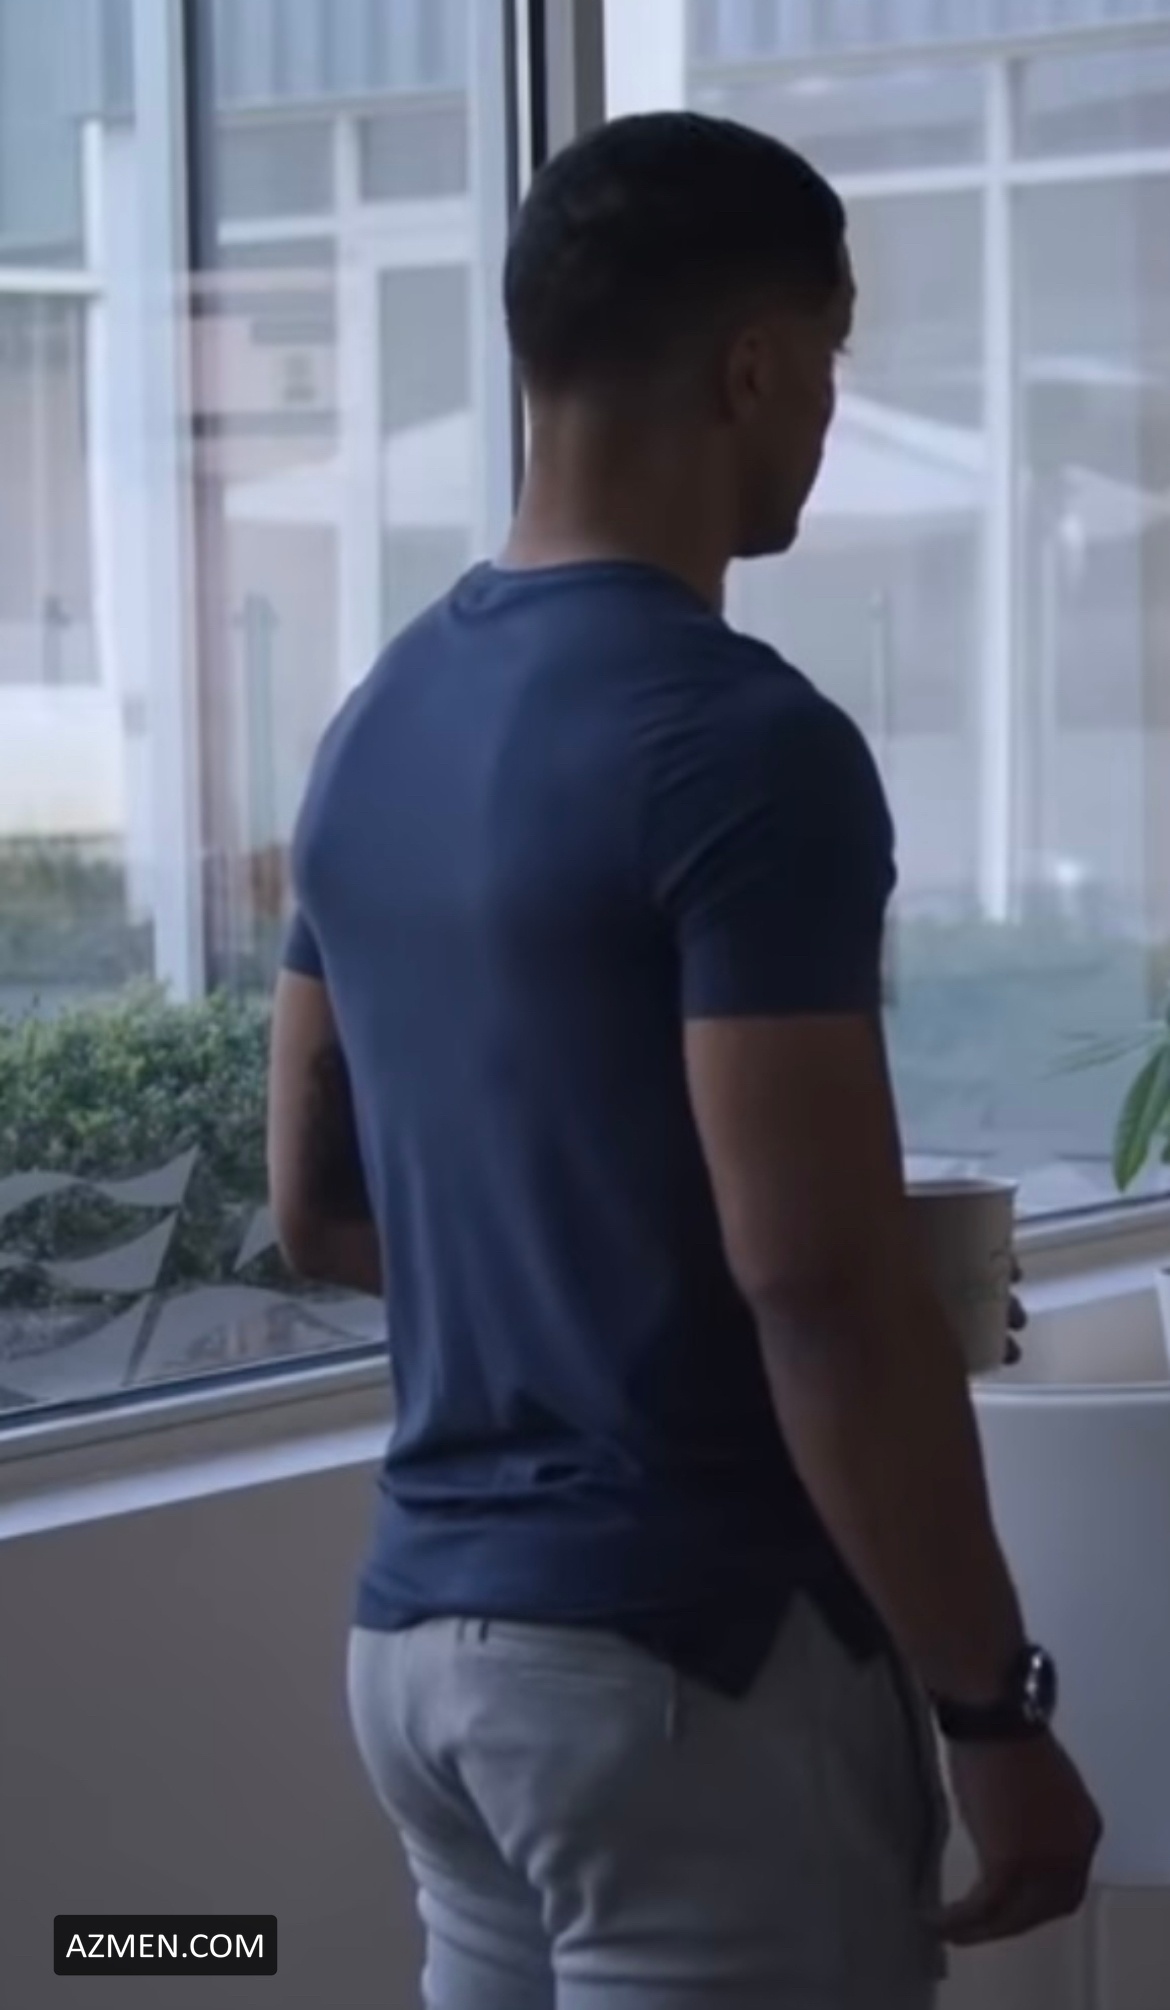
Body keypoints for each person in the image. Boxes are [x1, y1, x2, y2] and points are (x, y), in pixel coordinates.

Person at [267, 112, 1100, 2010]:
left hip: (425, 1662)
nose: (824, 413)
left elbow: (314, 1207)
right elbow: (815, 1287)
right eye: (827, 359)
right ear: (750, 365)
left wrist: (603, 1293)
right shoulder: (743, 746)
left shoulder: (375, 722)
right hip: (690, 1670)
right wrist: (993, 1707)